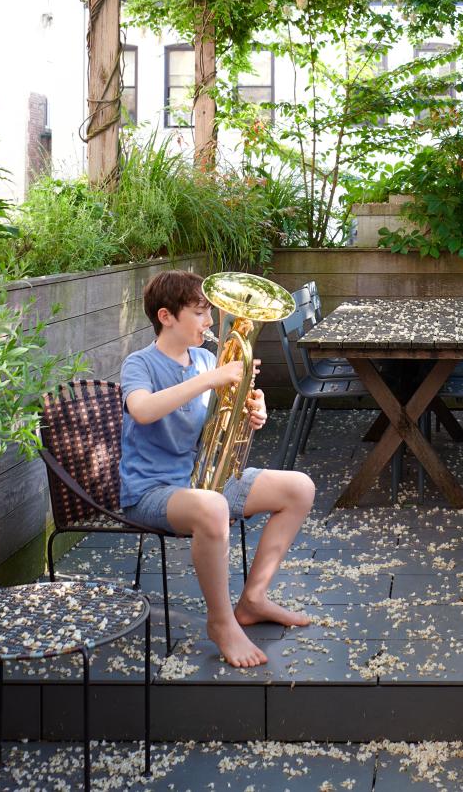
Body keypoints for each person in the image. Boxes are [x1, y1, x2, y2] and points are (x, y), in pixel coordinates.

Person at [119, 269, 315, 668]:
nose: (210, 323)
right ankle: (222, 622)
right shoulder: (139, 364)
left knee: (300, 488)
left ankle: (253, 600)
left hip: (203, 481)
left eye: (210, 313)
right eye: (200, 313)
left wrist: (251, 410)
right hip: (152, 492)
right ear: (166, 316)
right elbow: (142, 410)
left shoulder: (207, 358)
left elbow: (221, 422)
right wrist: (211, 380)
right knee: (213, 508)